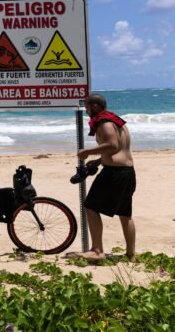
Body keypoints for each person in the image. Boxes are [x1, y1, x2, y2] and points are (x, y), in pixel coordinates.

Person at [77, 93, 136, 262]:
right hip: (128, 172)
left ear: (94, 106)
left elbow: (113, 145)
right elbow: (119, 149)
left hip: (114, 173)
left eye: (87, 107)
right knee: (125, 214)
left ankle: (97, 250)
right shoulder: (116, 120)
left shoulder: (104, 122)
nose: (86, 111)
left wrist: (87, 152)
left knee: (90, 206)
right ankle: (131, 255)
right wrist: (98, 160)